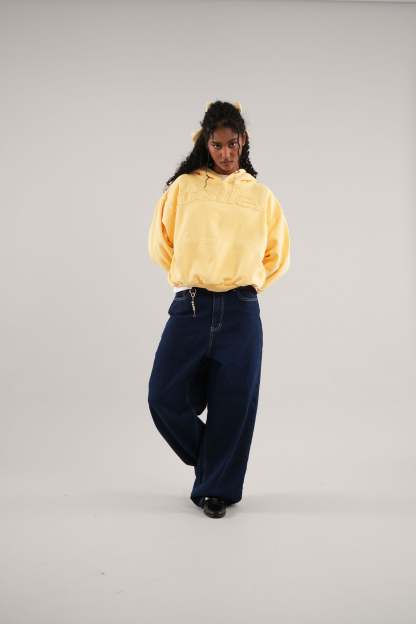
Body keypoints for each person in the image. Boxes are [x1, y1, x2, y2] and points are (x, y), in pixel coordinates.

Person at [147, 100, 290, 518]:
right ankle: (215, 461)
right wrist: (193, 273)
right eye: (217, 145)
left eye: (232, 144)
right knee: (163, 396)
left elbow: (277, 256)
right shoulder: (184, 188)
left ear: (243, 141)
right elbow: (161, 243)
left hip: (241, 310)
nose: (226, 153)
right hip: (191, 306)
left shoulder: (261, 197)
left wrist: (245, 283)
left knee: (234, 403)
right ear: (205, 144)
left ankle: (216, 489)